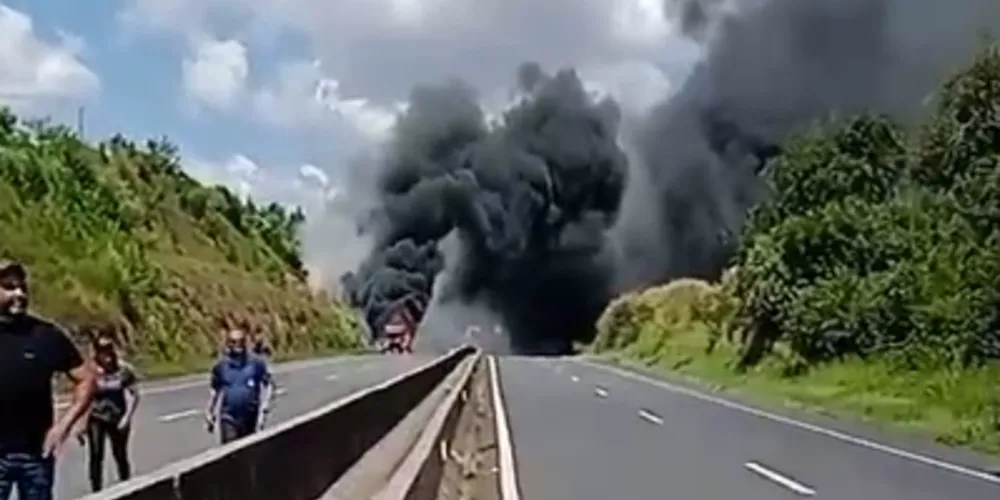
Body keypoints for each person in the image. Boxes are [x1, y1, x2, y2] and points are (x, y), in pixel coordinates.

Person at [0, 260, 96, 500]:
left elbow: (86, 379)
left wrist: (62, 427)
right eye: (9, 287)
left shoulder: (45, 335)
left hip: (35, 454)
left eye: (22, 287)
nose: (19, 294)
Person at [82, 331, 139, 492]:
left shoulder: (123, 369)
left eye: (109, 348)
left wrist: (127, 418)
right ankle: (97, 491)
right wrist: (81, 424)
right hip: (97, 416)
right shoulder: (90, 370)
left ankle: (127, 486)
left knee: (120, 454)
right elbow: (83, 397)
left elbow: (133, 395)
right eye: (102, 349)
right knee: (96, 454)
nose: (106, 353)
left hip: (117, 416)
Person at [204, 329, 273, 445]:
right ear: (228, 344)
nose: (238, 345)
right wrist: (210, 412)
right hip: (229, 415)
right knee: (231, 448)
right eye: (234, 342)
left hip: (250, 416)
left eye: (241, 341)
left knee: (247, 449)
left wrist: (265, 408)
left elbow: (269, 384)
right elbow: (215, 390)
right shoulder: (221, 366)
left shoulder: (255, 363)